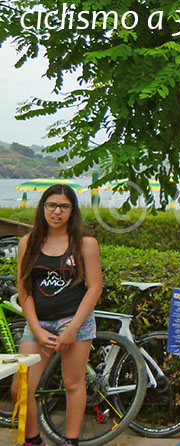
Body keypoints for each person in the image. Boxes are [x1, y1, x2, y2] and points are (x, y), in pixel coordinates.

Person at [14, 184, 103, 446]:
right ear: (43, 207)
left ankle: (70, 441)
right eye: (51, 205)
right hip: (38, 323)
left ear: (72, 211)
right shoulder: (28, 243)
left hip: (75, 321)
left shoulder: (85, 244)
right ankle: (33, 440)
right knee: (21, 386)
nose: (57, 212)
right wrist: (36, 329)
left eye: (64, 206)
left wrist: (73, 328)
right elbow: (24, 288)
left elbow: (94, 287)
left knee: (73, 384)